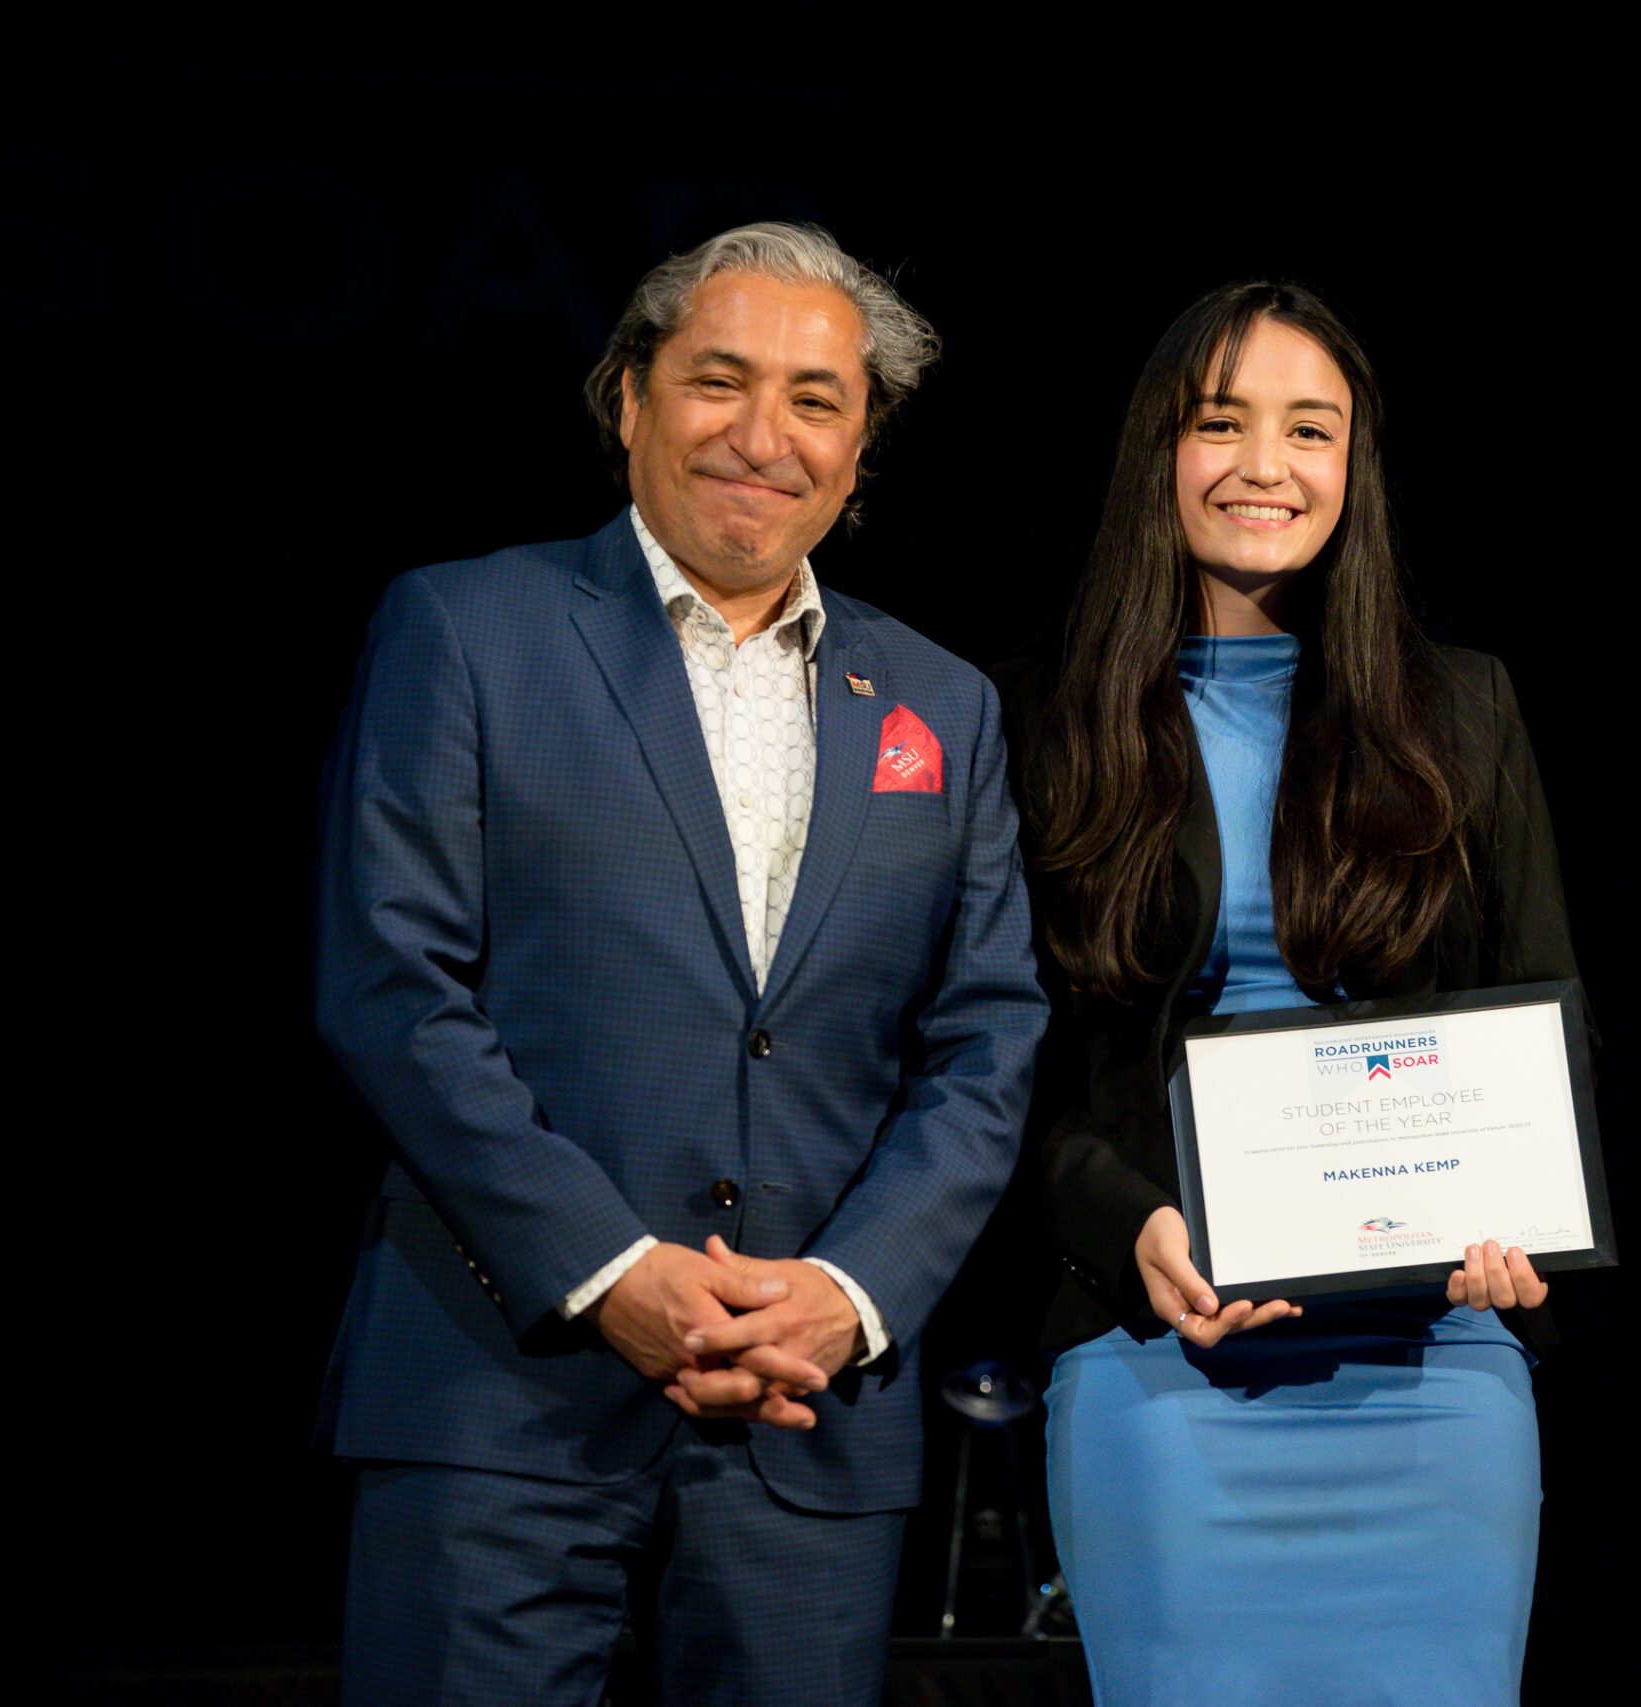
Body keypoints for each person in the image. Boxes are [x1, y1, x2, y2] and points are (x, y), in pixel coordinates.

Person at [313, 221, 1045, 1706]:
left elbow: (986, 1043)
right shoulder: (466, 626)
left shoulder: (942, 705)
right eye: (720, 380)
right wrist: (610, 1269)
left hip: (808, 1423)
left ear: (861, 446)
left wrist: (849, 1291)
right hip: (501, 1400)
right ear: (630, 397)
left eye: (816, 399)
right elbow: (394, 988)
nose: (763, 436)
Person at [1004, 281, 1583, 1701]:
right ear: (1162, 450)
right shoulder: (1036, 719)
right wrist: (1133, 1222)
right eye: (1223, 423)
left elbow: (1535, 1018)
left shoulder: (1465, 710)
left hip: (1438, 1378)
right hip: (1163, 1374)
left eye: (1308, 429)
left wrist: (1523, 1231)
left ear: (1352, 465)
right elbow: (1004, 1079)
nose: (1267, 466)